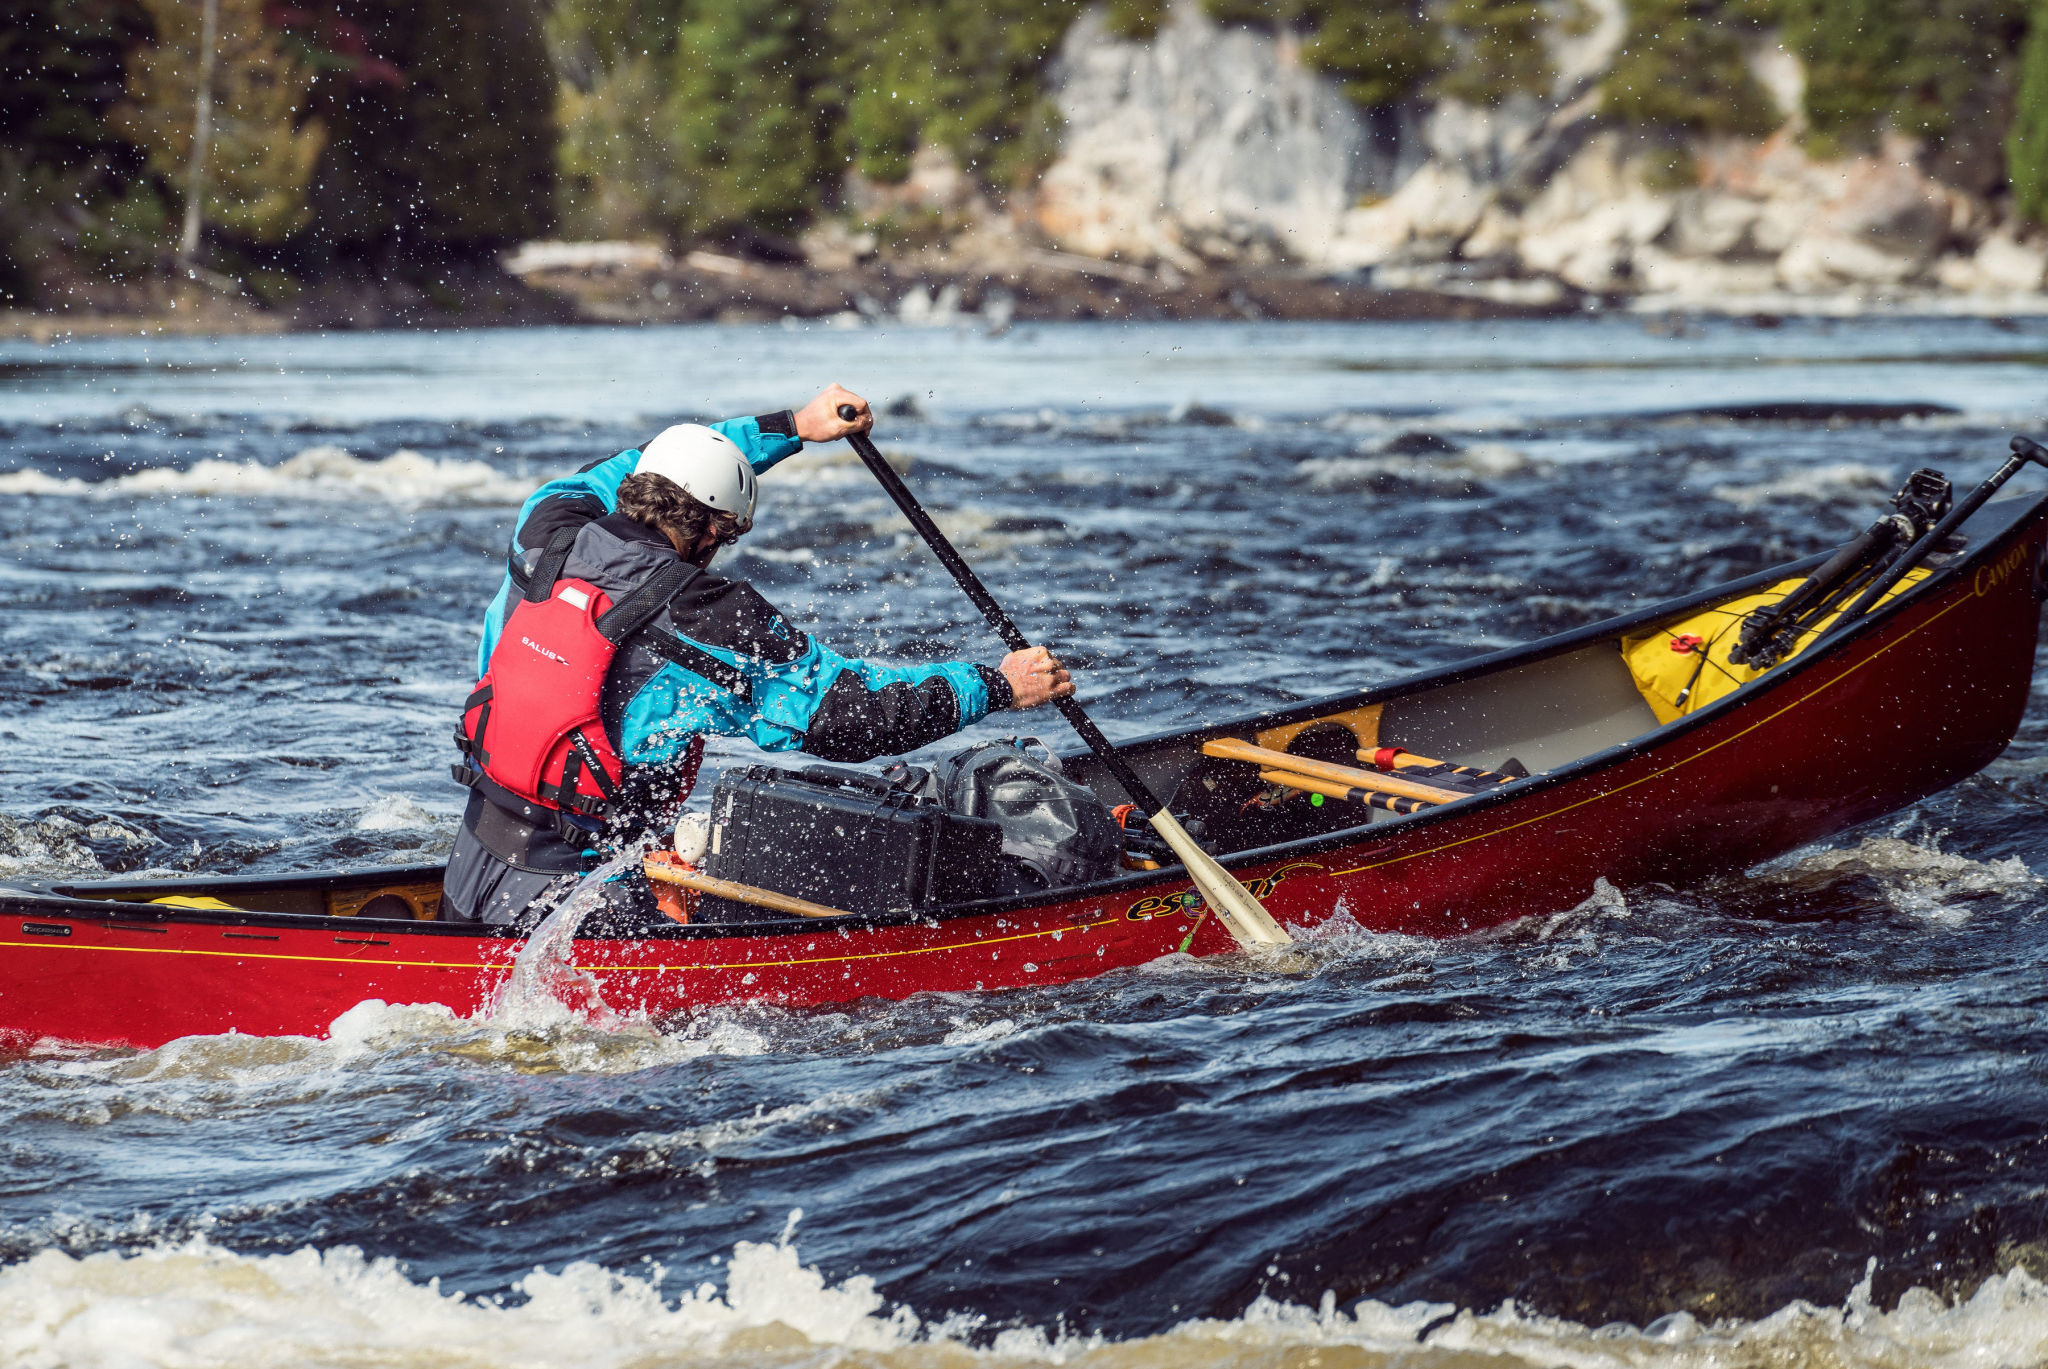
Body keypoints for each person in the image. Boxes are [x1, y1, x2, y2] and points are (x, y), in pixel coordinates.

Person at [443, 384, 1074, 929]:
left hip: (473, 859)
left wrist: (792, 427)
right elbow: (848, 714)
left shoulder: (547, 527)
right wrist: (997, 685)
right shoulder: (705, 614)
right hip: (579, 894)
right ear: (713, 531)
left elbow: (621, 468)